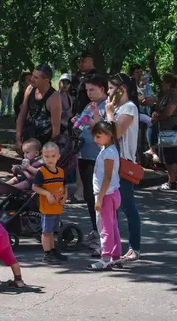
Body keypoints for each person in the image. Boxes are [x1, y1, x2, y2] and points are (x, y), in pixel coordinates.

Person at [105, 73, 141, 261]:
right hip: (110, 162)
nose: (108, 92)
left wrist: (109, 114)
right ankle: (112, 247)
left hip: (123, 164)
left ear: (122, 89)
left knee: (127, 205)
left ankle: (134, 247)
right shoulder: (115, 107)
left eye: (111, 88)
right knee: (110, 207)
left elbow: (116, 133)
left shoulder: (129, 108)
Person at [72, 73, 108, 253]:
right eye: (87, 90)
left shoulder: (107, 107)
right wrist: (76, 123)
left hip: (98, 157)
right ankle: (96, 230)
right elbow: (78, 125)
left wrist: (94, 120)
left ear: (102, 88)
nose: (89, 93)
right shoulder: (89, 105)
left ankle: (104, 237)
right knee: (88, 195)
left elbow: (105, 131)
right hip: (84, 154)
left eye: (92, 89)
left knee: (98, 198)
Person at [86, 121, 123, 271]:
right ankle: (115, 256)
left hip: (105, 194)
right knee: (113, 226)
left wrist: (99, 198)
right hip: (112, 193)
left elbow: (107, 177)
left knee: (105, 227)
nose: (96, 140)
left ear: (108, 136)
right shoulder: (110, 149)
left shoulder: (108, 153)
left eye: (98, 136)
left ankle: (105, 257)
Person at [32, 141, 68, 264]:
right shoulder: (41, 172)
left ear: (58, 156)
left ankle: (53, 250)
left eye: (53, 156)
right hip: (46, 208)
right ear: (42, 156)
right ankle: (47, 253)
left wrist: (65, 196)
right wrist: (47, 194)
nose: (50, 159)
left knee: (52, 231)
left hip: (57, 207)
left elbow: (64, 185)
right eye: (46, 156)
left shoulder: (61, 171)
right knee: (46, 231)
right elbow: (35, 187)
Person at [16, 64, 61, 152]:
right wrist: (18, 139)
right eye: (32, 75)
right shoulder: (29, 89)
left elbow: (56, 128)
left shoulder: (54, 97)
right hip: (28, 138)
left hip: (45, 142)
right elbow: (22, 115)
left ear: (46, 80)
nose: (31, 79)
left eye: (36, 77)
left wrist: (50, 149)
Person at [151, 73, 177, 191]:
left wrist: (157, 117)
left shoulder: (174, 95)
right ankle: (170, 180)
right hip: (164, 129)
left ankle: (172, 181)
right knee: (166, 157)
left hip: (171, 129)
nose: (161, 85)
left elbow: (168, 112)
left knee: (171, 156)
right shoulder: (165, 94)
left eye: (163, 82)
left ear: (168, 83)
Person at [71, 51, 98, 117]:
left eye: (83, 61)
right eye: (79, 62)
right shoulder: (81, 76)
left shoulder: (96, 77)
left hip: (88, 116)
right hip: (78, 115)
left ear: (91, 61)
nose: (81, 64)